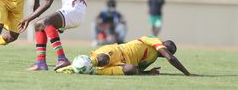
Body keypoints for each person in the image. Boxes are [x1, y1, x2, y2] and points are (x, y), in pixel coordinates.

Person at [57, 35, 191, 76]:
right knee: (102, 59)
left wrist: (148, 72)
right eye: (168, 51)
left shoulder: (153, 58)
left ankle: (89, 70)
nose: (167, 54)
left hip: (121, 64)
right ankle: (71, 66)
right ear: (163, 46)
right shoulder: (154, 40)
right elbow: (171, 59)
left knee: (131, 69)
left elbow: (138, 69)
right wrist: (187, 74)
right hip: (117, 51)